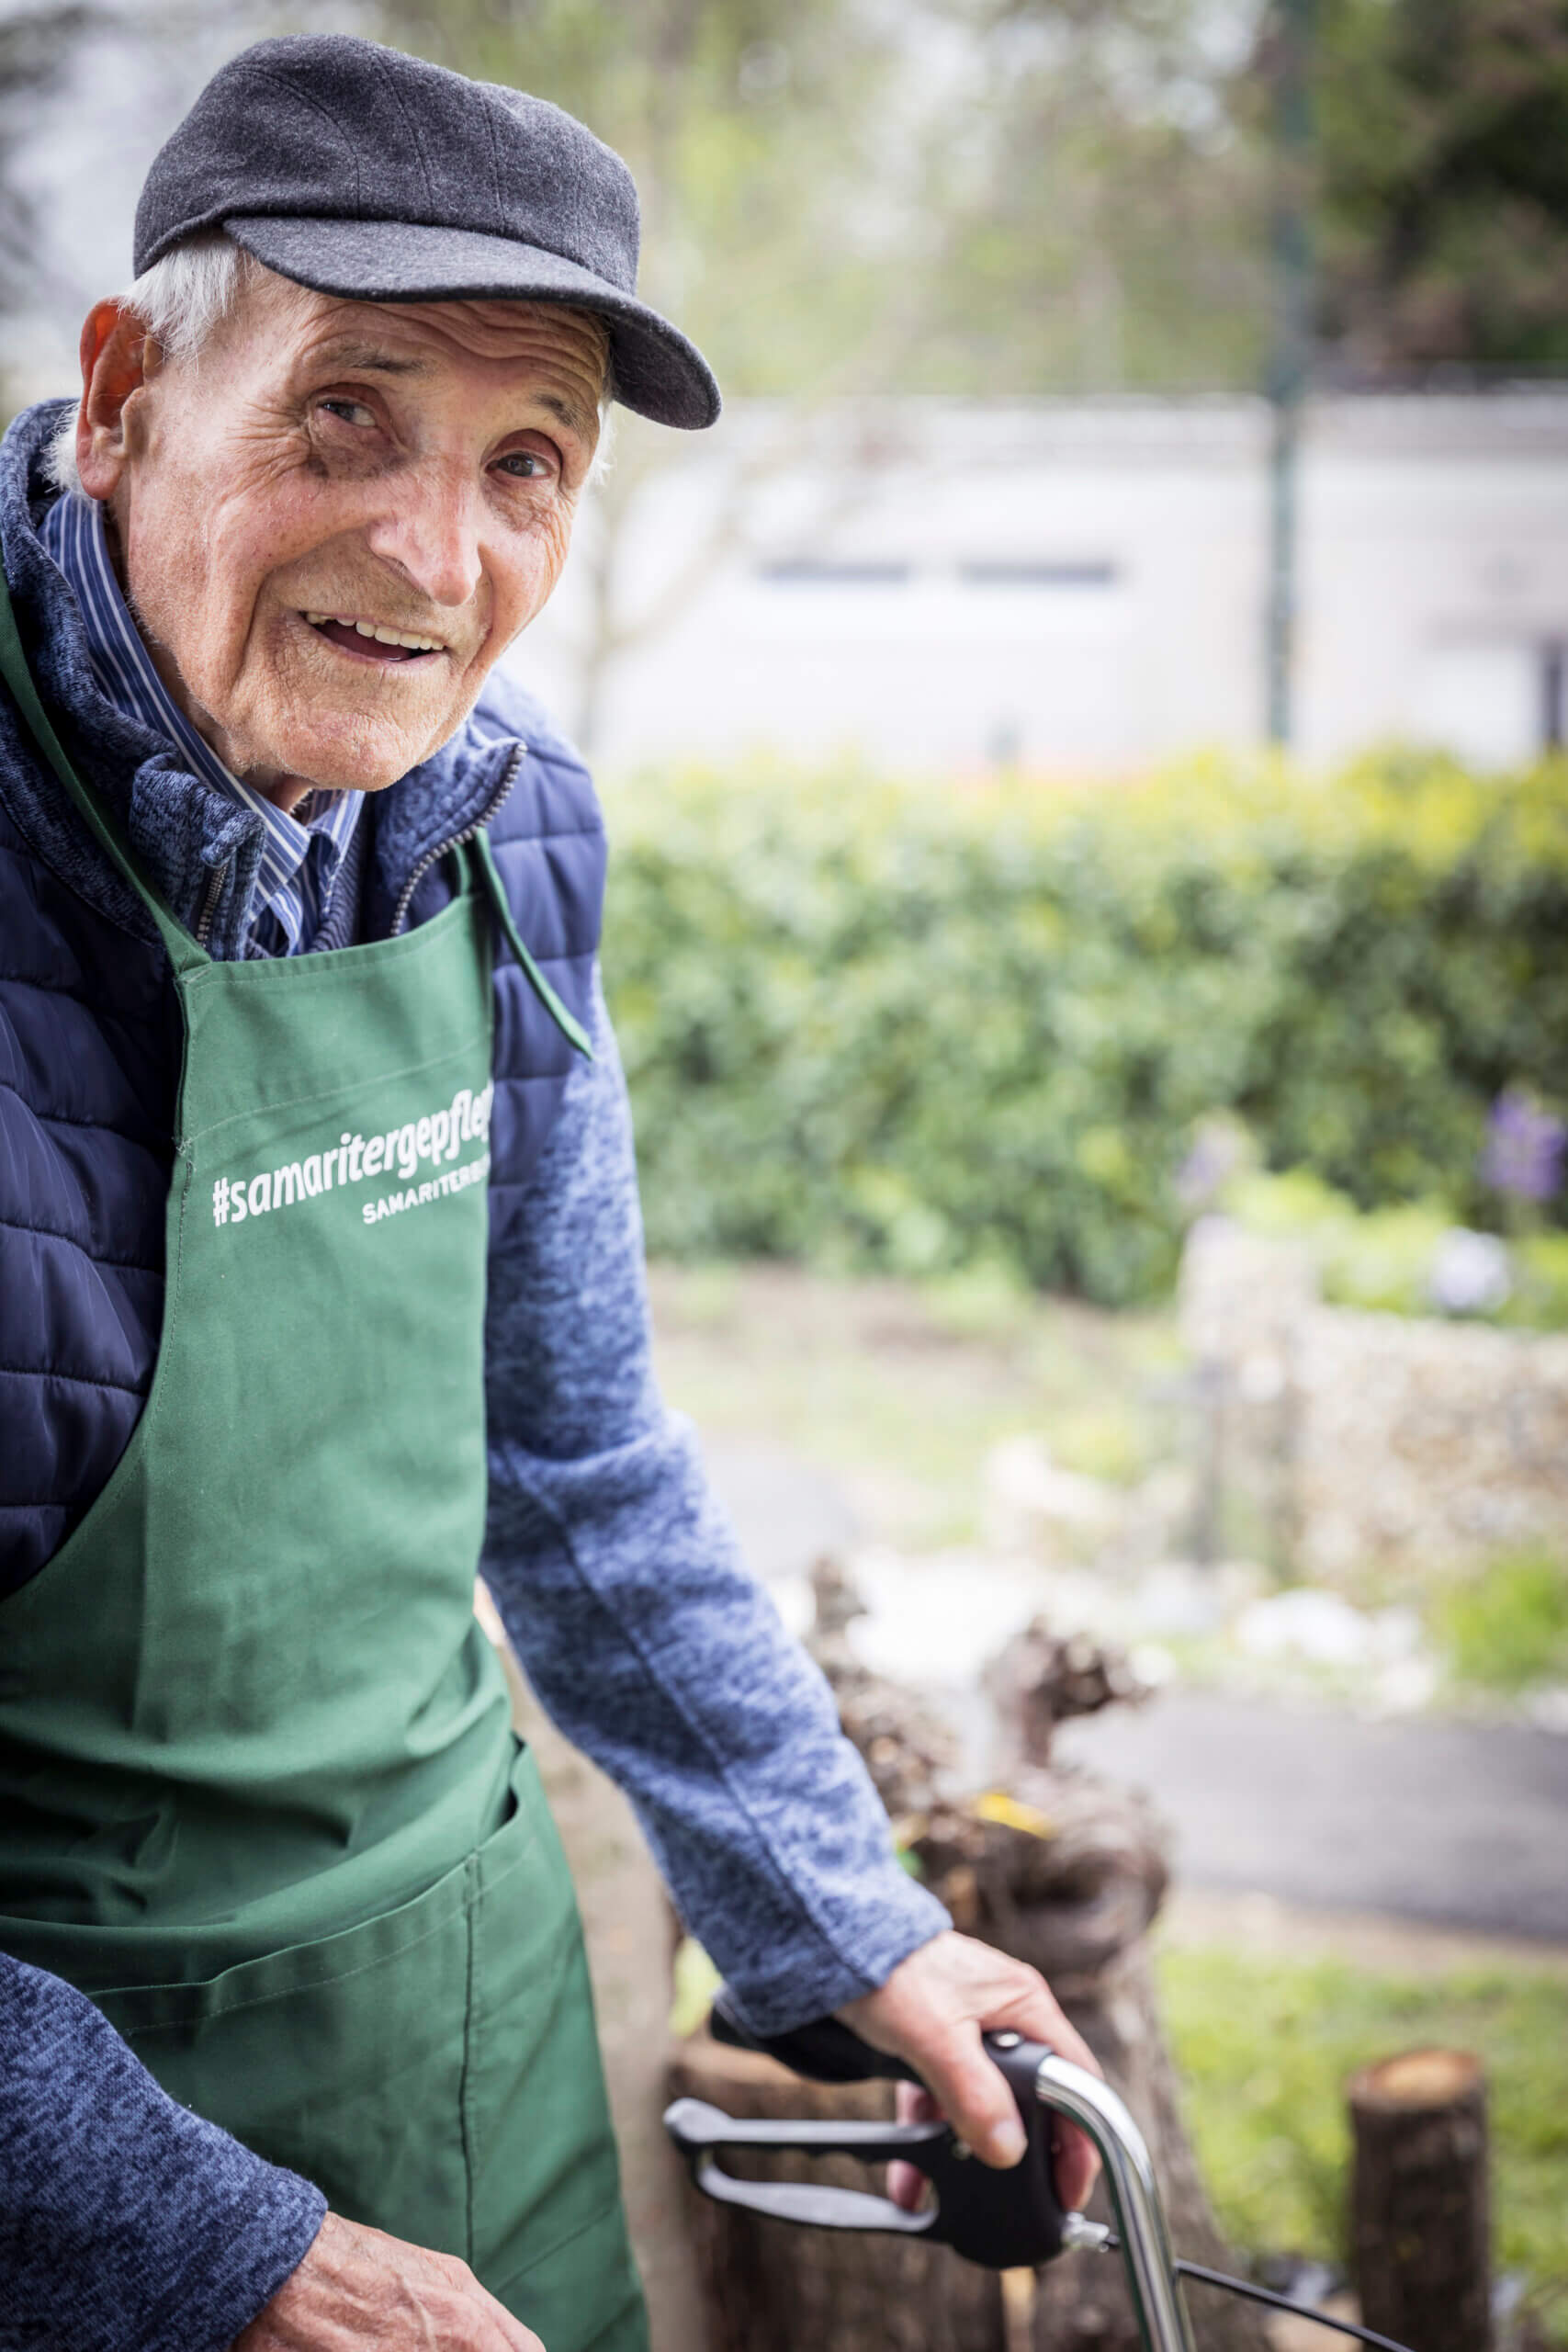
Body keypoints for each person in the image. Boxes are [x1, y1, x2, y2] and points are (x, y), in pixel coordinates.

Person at [0, 34, 1099, 2352]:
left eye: (526, 464)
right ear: (120, 397)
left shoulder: (511, 830)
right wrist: (196, 2246)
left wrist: (848, 1916)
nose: (435, 554)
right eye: (345, 416)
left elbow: (575, 1464)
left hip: (462, 2045)